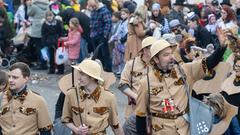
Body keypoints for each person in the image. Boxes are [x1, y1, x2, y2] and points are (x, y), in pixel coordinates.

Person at [135, 27, 228, 134]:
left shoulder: (185, 70)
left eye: (171, 53)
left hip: (184, 130)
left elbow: (208, 63)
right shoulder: (145, 83)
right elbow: (140, 117)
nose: (171, 57)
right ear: (155, 59)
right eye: (166, 55)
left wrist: (221, 47)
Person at [61, 59, 124, 135]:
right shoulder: (71, 94)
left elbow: (115, 125)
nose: (79, 78)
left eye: (83, 74)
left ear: (92, 77)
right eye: (79, 73)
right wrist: (77, 130)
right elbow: (65, 120)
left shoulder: (109, 97)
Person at [0, 62, 52, 135]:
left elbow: (46, 131)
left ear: (26, 79)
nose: (10, 80)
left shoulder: (38, 101)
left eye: (15, 77)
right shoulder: (1, 97)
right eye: (9, 77)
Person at [88, 0, 113, 72]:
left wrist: (105, 35)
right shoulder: (93, 10)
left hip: (101, 35)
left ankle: (108, 70)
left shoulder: (104, 11)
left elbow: (108, 23)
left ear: (97, 2)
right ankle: (99, 69)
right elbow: (92, 23)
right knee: (97, 54)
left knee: (105, 54)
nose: (92, 7)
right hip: (93, 35)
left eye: (93, 6)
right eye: (91, 6)